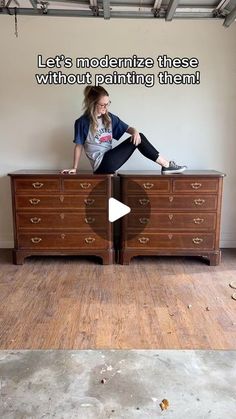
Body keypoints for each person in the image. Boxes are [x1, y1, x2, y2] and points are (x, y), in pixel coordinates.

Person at [61, 86, 187, 175]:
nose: (106, 107)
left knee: (139, 136)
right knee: (140, 138)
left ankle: (166, 165)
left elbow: (129, 129)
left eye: (108, 103)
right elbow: (78, 146)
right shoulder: (82, 122)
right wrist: (74, 168)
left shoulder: (110, 118)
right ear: (93, 103)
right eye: (102, 105)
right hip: (101, 164)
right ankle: (166, 165)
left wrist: (135, 131)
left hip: (109, 159)